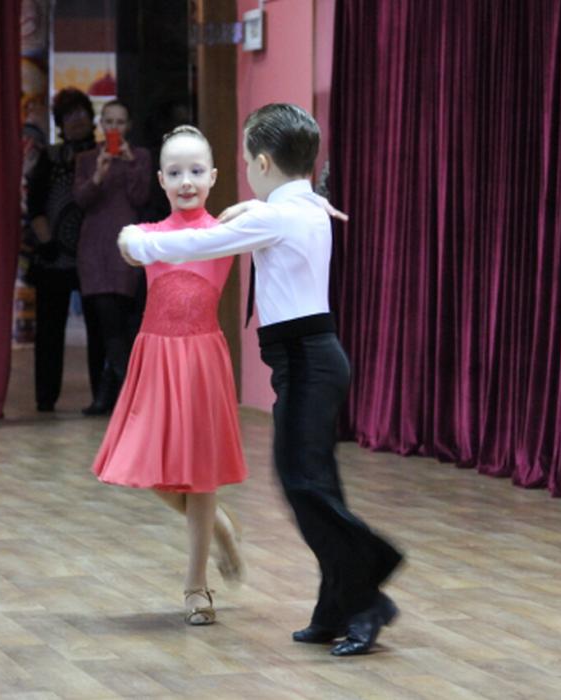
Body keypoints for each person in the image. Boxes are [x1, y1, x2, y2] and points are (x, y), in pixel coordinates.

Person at [118, 104, 403, 655]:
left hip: (307, 361)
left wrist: (135, 240)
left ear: (264, 163)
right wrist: (260, 204)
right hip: (309, 360)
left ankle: (369, 592)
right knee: (313, 489)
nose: (246, 170)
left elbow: (195, 244)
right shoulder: (302, 207)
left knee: (305, 488)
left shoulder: (277, 217)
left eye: (248, 160)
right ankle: (334, 607)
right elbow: (275, 210)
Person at [93, 125, 246, 625]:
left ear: (213, 176)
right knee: (147, 464)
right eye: (175, 172)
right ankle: (219, 524)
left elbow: (263, 222)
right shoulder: (148, 234)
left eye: (196, 171)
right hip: (156, 358)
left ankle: (196, 587)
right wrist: (130, 238)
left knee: (200, 476)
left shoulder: (225, 232)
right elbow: (128, 244)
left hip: (201, 360)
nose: (186, 181)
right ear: (160, 180)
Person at [74, 100, 152, 415]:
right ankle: (117, 395)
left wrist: (130, 164)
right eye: (109, 122)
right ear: (101, 124)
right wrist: (98, 174)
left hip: (125, 249)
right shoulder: (86, 158)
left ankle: (121, 395)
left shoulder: (141, 157)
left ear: (128, 126)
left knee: (120, 324)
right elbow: (81, 200)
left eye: (120, 122)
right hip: (93, 250)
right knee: (104, 324)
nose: (114, 128)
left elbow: (140, 197)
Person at [25, 88, 97, 412]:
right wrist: (47, 242)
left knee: (100, 328)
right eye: (69, 115)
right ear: (60, 122)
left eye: (81, 113)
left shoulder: (103, 154)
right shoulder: (49, 156)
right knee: (49, 330)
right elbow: (35, 204)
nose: (76, 120)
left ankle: (102, 397)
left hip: (94, 255)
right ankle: (45, 398)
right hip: (54, 254)